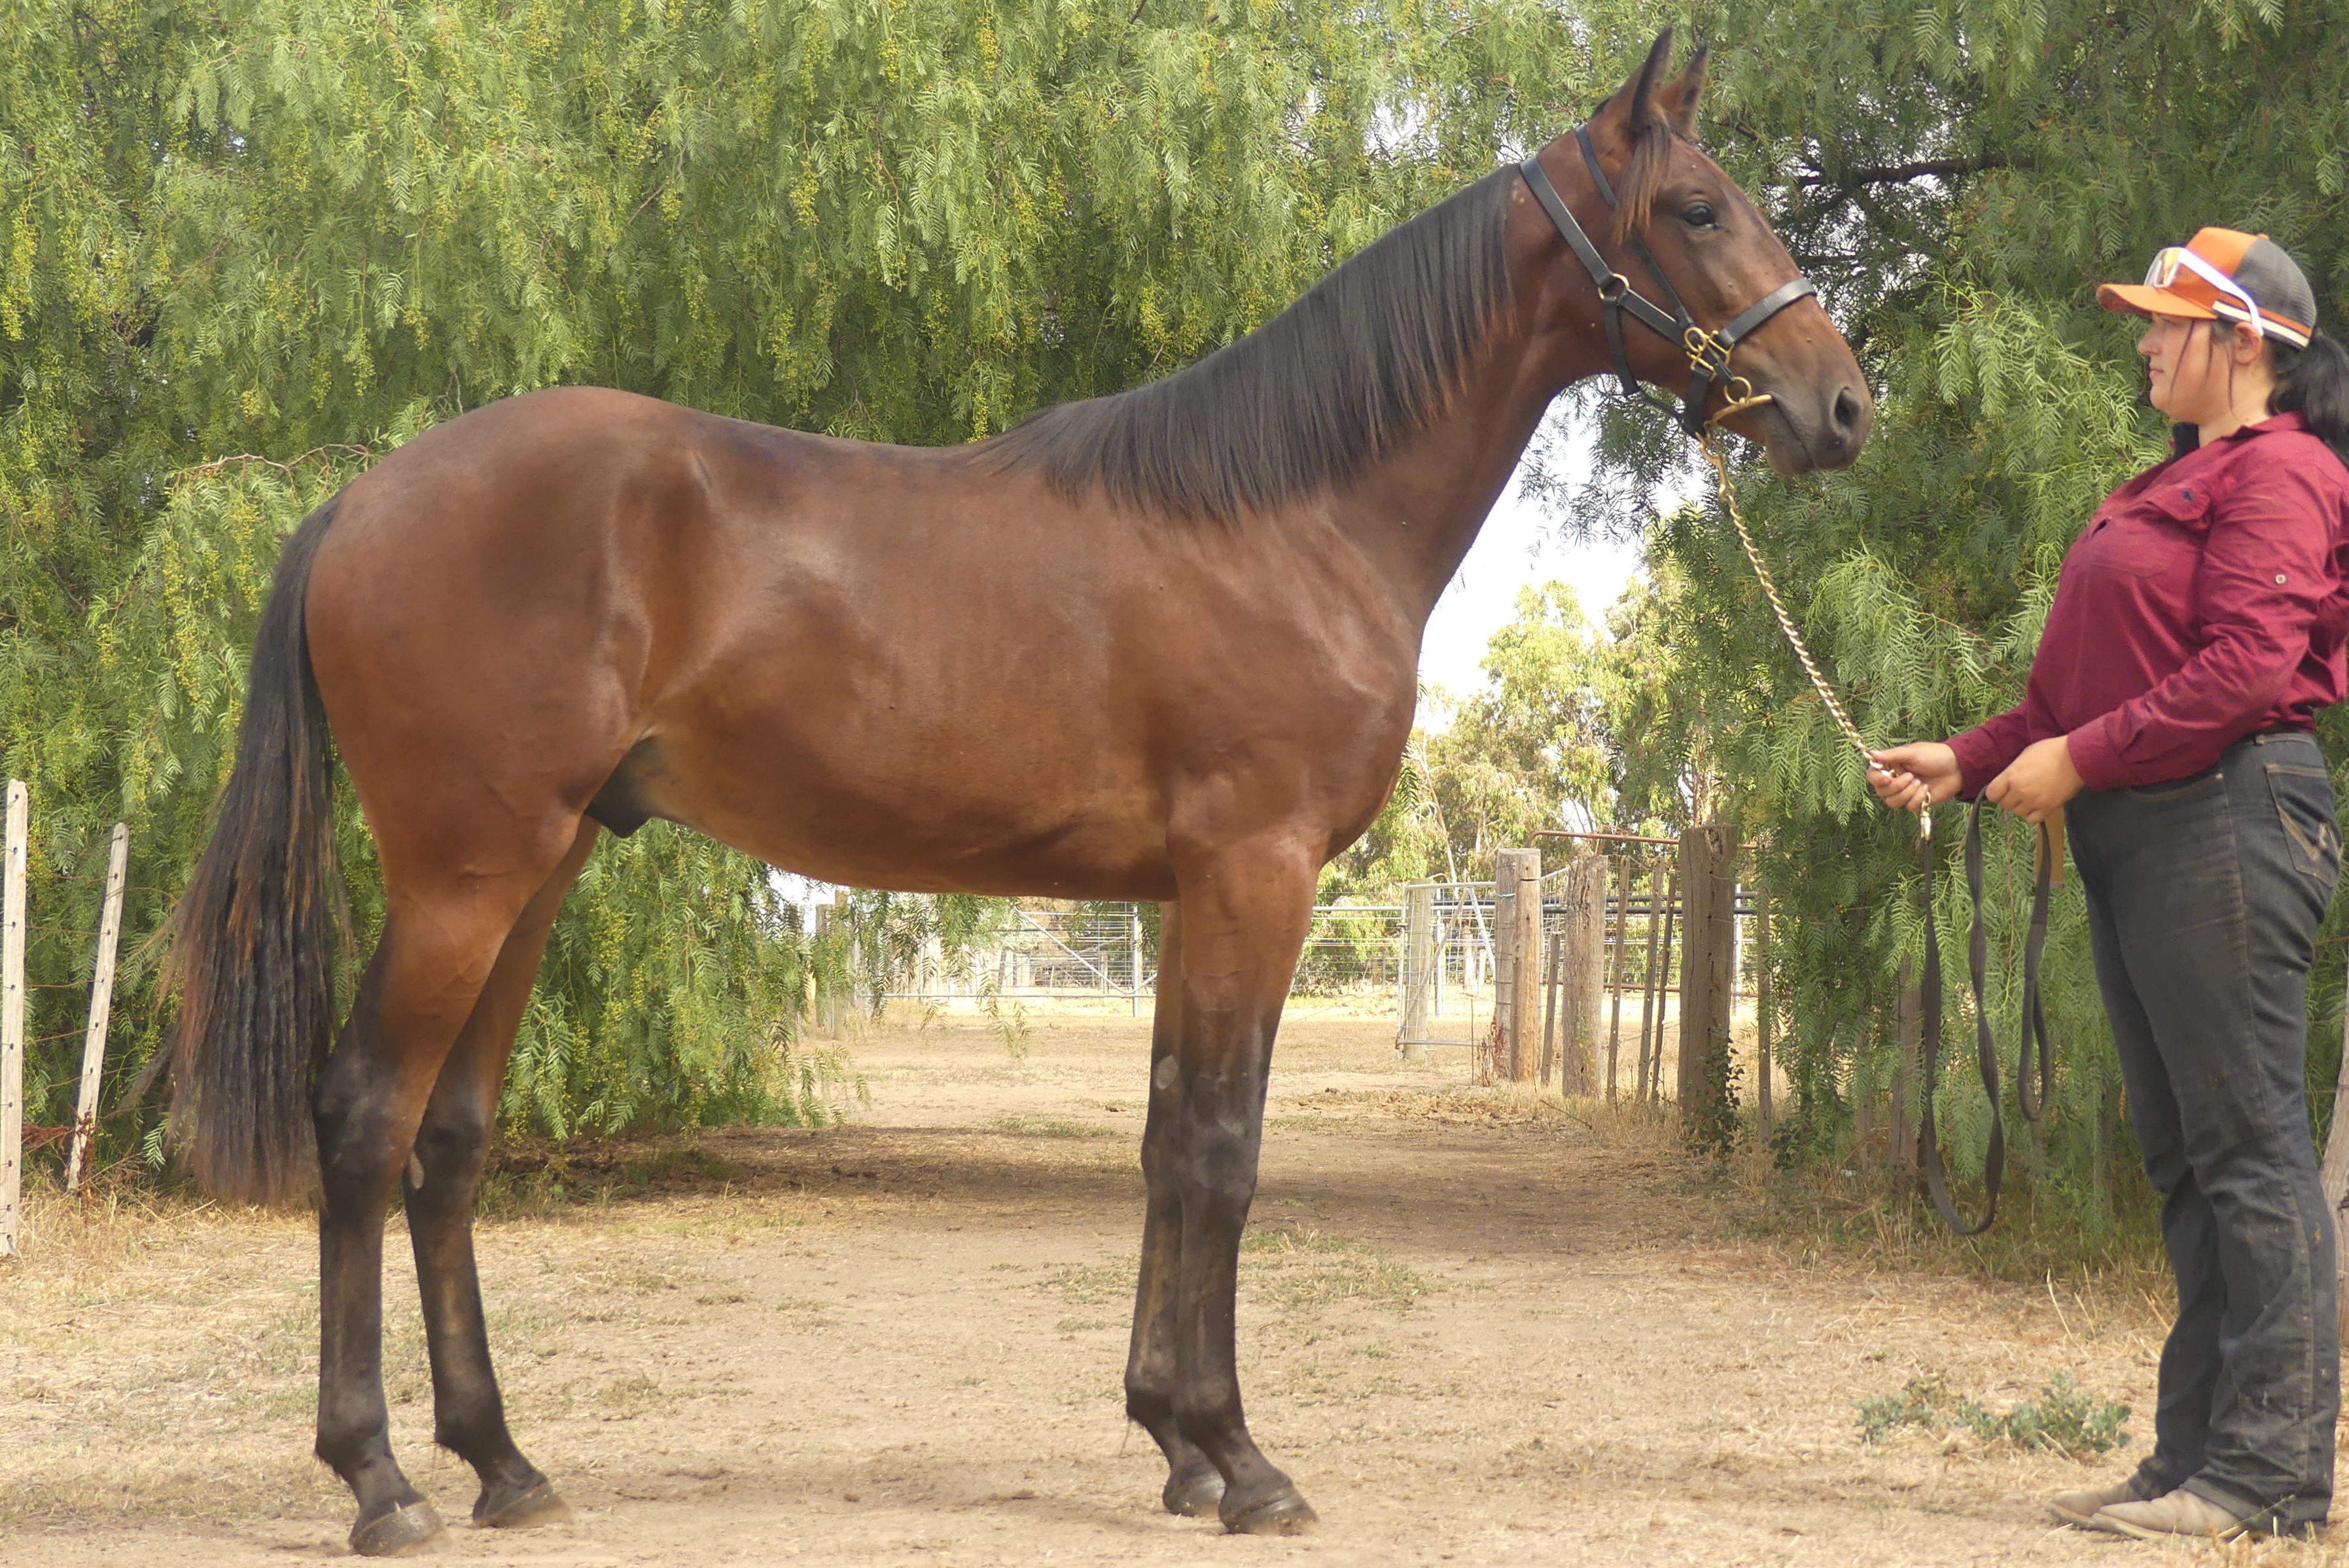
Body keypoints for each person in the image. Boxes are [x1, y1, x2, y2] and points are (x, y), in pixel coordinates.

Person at [1870, 229, 2349, 1541]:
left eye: (2162, 322)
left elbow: (2246, 670)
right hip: (2152, 830)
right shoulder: (2168, 484)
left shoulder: (2282, 471)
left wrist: (2078, 761)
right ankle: (2193, 1461)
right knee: (2190, 1159)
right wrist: (1966, 759)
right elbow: (2067, 693)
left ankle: (2271, 1481)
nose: (2142, 341)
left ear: (2239, 342)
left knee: (2248, 1149)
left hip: (2227, 817)